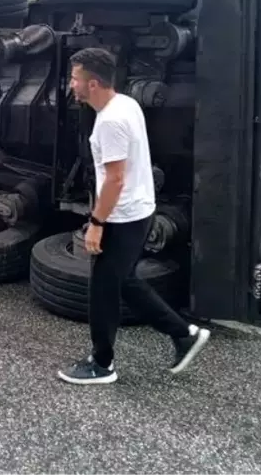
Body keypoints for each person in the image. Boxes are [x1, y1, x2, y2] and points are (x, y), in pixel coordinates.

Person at [58, 47, 211, 385]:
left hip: (122, 216)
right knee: (120, 281)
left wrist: (96, 223)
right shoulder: (125, 103)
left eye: (75, 79)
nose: (71, 85)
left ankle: (102, 365)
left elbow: (115, 179)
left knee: (103, 289)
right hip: (139, 209)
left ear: (93, 83)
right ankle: (183, 334)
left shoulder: (111, 120)